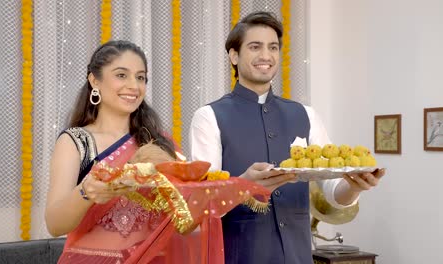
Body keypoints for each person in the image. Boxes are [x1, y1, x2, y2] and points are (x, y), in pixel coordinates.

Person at [189, 11, 385, 264]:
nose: (266, 56)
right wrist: (244, 185)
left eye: (273, 47)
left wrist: (355, 185)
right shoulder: (209, 116)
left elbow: (334, 192)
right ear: (234, 55)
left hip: (298, 256)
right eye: (255, 47)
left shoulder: (306, 115)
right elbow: (202, 203)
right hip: (239, 256)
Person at [45, 40, 181, 263]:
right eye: (121, 75)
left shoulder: (157, 143)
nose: (134, 86)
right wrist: (86, 193)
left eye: (140, 77)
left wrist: (233, 186)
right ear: (94, 80)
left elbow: (185, 218)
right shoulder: (77, 142)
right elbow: (54, 224)